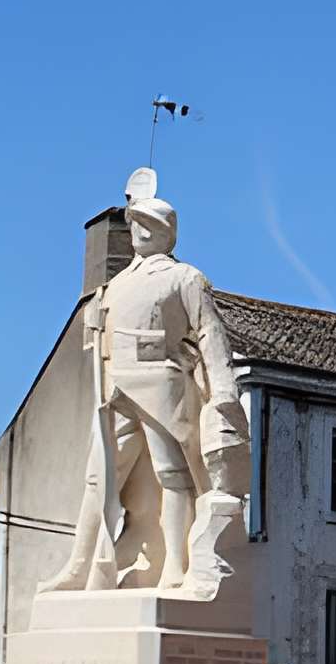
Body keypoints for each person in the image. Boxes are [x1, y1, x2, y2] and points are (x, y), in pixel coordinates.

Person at [48, 168, 248, 596]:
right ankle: (79, 566)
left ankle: (175, 566)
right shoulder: (116, 285)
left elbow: (210, 334)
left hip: (162, 381)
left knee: (172, 472)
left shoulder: (185, 277)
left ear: (166, 233)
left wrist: (226, 394)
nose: (138, 230)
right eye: (135, 222)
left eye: (148, 224)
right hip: (117, 385)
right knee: (99, 477)